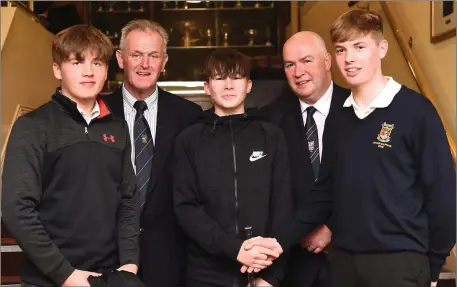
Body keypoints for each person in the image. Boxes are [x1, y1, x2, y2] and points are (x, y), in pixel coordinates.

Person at [248, 9, 456, 287]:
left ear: (382, 49)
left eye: (359, 47)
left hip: (399, 264)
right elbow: (323, 194)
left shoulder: (416, 111)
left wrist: (432, 265)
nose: (350, 59)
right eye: (342, 50)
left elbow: (444, 195)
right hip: (343, 265)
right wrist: (276, 244)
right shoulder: (340, 117)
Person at [1, 25, 139, 287]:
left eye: (97, 62)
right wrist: (65, 275)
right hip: (51, 279)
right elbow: (16, 209)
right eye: (76, 62)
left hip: (110, 277)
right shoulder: (33, 127)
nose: (88, 71)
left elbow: (129, 199)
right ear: (57, 69)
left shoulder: (117, 127)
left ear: (106, 70)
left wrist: (130, 263)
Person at [173, 49, 292, 287]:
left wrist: (271, 276)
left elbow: (283, 207)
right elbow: (186, 209)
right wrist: (235, 249)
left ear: (248, 85)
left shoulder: (271, 136)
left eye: (236, 77)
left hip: (263, 272)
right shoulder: (189, 140)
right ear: (207, 87)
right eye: (219, 78)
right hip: (205, 275)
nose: (229, 85)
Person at [103, 19, 202, 287]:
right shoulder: (96, 113)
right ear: (121, 59)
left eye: (153, 56)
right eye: (136, 55)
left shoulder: (190, 116)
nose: (145, 65)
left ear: (164, 61)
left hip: (170, 259)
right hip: (107, 257)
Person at [260, 31, 350, 287]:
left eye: (307, 60)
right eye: (290, 64)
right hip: (293, 264)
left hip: (349, 259)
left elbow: (373, 183)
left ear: (327, 61)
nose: (298, 71)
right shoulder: (269, 120)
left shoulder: (359, 110)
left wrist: (332, 227)